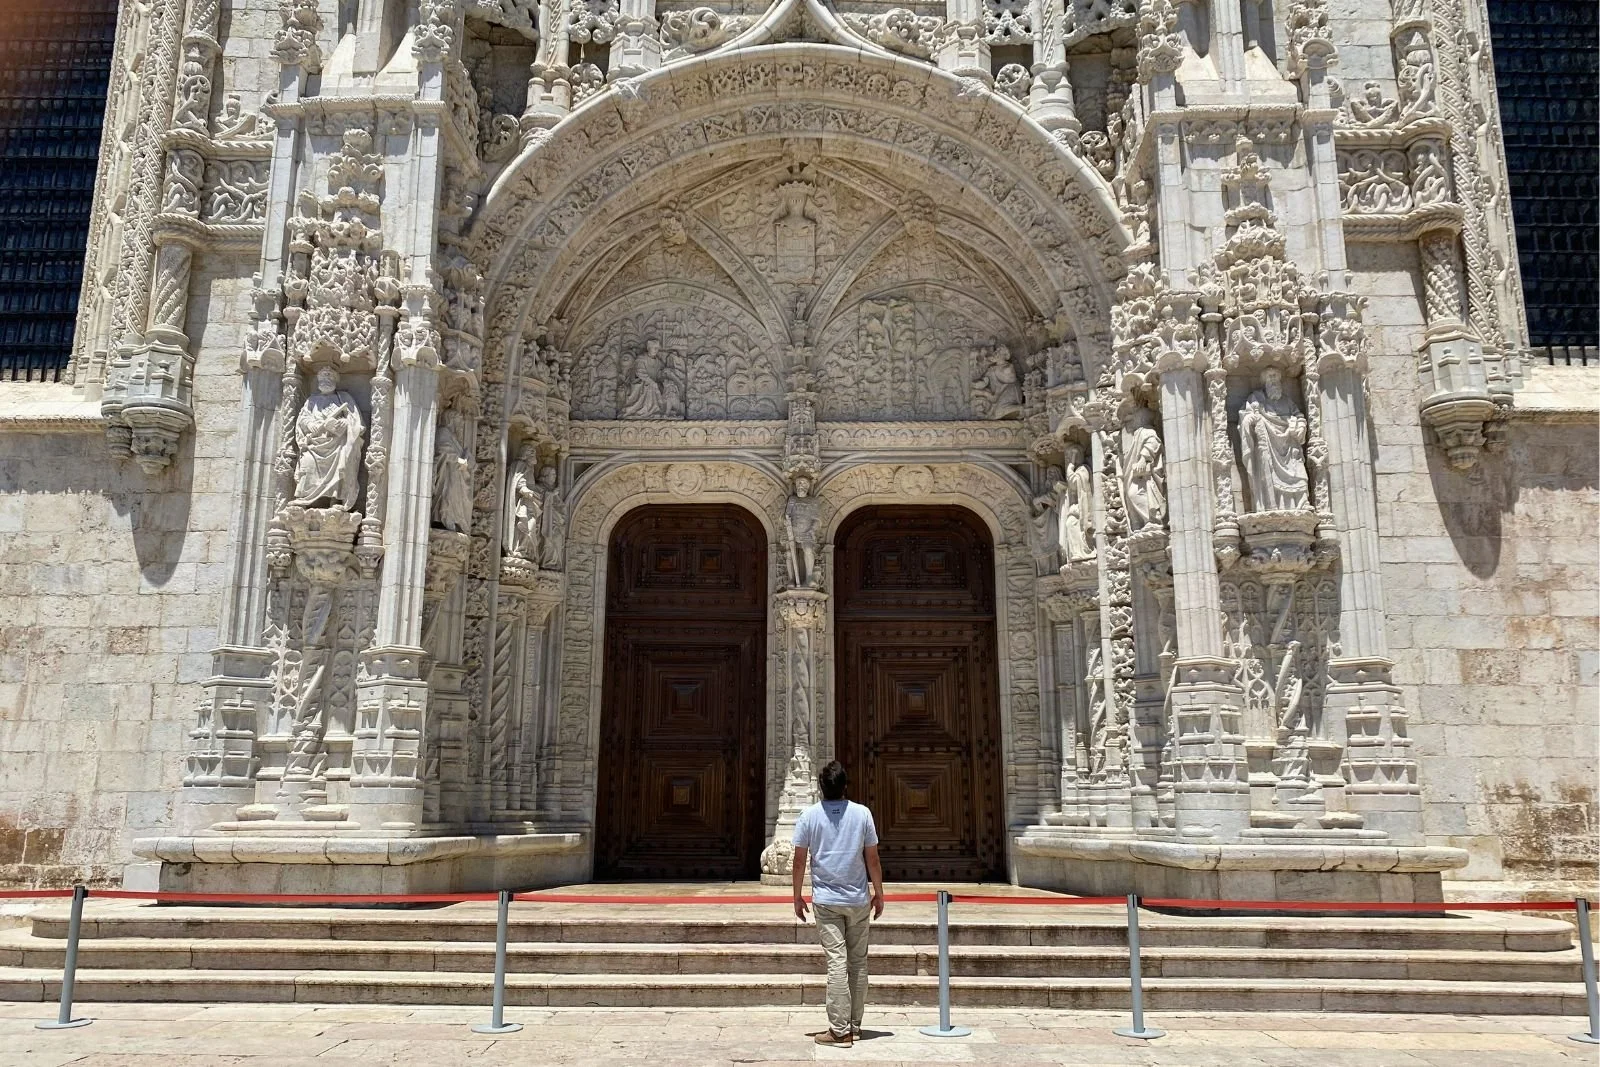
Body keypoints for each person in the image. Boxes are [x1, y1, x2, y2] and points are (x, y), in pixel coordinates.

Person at [792, 760, 884, 1047]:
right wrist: (879, 892)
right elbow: (872, 858)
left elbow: (798, 861)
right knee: (858, 963)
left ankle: (839, 1030)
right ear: (845, 786)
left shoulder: (809, 816)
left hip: (827, 902)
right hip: (857, 900)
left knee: (836, 962)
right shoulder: (862, 814)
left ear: (820, 788)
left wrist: (796, 896)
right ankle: (855, 1026)